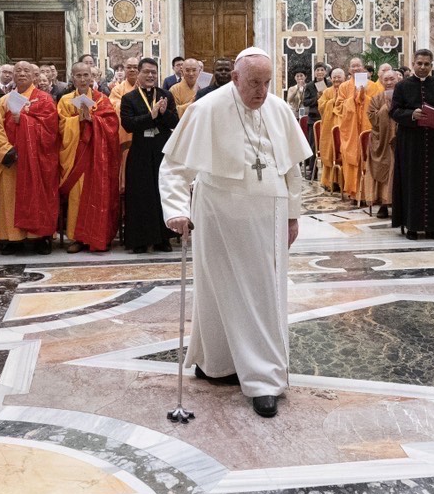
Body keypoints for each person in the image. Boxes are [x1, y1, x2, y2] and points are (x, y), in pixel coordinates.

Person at [161, 48, 313, 419]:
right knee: (217, 289)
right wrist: (177, 209)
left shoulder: (278, 110)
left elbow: (292, 169)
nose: (261, 92)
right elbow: (174, 167)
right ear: (235, 78)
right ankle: (218, 363)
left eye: (267, 83)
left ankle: (264, 380)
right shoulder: (207, 108)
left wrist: (293, 216)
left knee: (262, 294)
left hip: (267, 215)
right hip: (218, 214)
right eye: (254, 83)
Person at [0, 61, 60, 253]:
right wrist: (6, 151)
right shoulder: (4, 101)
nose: (22, 73)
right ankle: (12, 239)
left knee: (38, 197)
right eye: (18, 70)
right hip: (12, 159)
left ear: (34, 76)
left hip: (37, 160)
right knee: (10, 198)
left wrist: (24, 120)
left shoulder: (44, 100)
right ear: (13, 75)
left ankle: (39, 238)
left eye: (26, 71)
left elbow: (51, 130)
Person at [58, 61, 121, 253]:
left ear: (92, 77)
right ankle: (77, 238)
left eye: (86, 75)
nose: (83, 79)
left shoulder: (102, 100)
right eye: (79, 75)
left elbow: (112, 125)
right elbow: (60, 126)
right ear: (72, 78)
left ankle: (99, 236)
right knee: (77, 196)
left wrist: (93, 119)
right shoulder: (65, 100)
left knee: (99, 194)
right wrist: (78, 120)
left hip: (98, 157)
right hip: (76, 156)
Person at [390, 49, 434, 240]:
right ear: (413, 64)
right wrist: (411, 114)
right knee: (411, 182)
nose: (423, 67)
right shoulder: (402, 86)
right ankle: (411, 226)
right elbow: (394, 111)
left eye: (426, 64)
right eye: (419, 63)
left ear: (431, 65)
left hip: (433, 142)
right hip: (410, 143)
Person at [121, 57, 178, 252]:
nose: (150, 75)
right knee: (141, 195)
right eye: (146, 72)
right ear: (138, 73)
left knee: (161, 193)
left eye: (154, 72)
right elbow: (128, 124)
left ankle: (163, 239)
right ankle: (140, 240)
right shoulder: (129, 98)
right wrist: (150, 116)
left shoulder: (165, 95)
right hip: (140, 152)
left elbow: (175, 123)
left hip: (161, 150)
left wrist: (163, 113)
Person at [361, 68, 401, 218]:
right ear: (381, 81)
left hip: (400, 141)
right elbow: (372, 118)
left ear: (398, 80)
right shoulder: (376, 99)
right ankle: (384, 204)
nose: (389, 82)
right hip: (382, 142)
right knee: (382, 170)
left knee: (399, 171)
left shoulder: (404, 97)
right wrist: (386, 109)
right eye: (386, 79)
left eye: (392, 79)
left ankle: (399, 204)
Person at [333, 58, 374, 196]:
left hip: (367, 127)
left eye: (358, 66)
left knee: (368, 157)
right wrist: (353, 100)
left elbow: (376, 106)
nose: (356, 68)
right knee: (350, 157)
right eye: (353, 66)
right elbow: (338, 107)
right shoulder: (344, 87)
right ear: (349, 69)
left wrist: (363, 97)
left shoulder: (372, 86)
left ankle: (368, 193)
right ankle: (353, 192)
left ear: (363, 68)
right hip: (350, 130)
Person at [316, 67, 345, 189]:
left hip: (344, 127)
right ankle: (330, 181)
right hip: (329, 126)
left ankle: (343, 183)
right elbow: (321, 106)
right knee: (330, 152)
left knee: (342, 153)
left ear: (344, 78)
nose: (336, 79)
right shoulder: (327, 91)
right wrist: (333, 101)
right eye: (334, 77)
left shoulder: (347, 90)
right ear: (331, 78)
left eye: (339, 77)